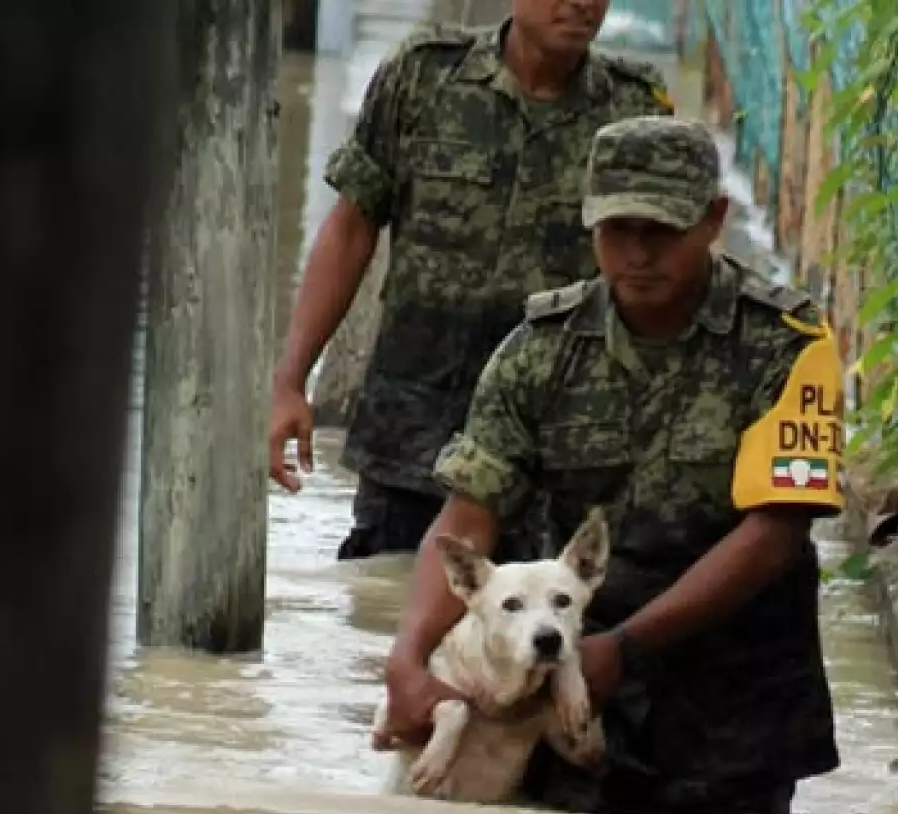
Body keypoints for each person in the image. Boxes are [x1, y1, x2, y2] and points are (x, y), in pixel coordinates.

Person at [373, 116, 846, 814]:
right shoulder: (538, 352)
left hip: (731, 707)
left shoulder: (788, 345)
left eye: (662, 230)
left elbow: (775, 533)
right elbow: (471, 514)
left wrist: (623, 649)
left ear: (713, 219)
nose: (638, 253)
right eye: (617, 229)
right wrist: (407, 660)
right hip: (564, 689)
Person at [267, 0, 676, 563]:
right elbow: (351, 229)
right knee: (389, 598)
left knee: (545, 613)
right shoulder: (423, 75)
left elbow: (663, 271)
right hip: (414, 438)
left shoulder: (634, 110)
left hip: (557, 453)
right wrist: (291, 381)